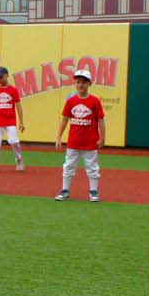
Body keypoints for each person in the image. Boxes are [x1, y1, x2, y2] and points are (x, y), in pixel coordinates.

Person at [55, 68, 105, 202]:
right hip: (73, 142)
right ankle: (65, 190)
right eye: (78, 82)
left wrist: (102, 138)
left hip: (90, 142)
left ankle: (93, 192)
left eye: (83, 82)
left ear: (89, 84)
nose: (80, 85)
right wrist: (59, 137)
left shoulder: (94, 101)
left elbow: (100, 120)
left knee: (92, 167)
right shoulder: (71, 101)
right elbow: (64, 119)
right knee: (68, 166)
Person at [0, 66, 24, 173]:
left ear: (7, 75)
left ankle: (19, 159)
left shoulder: (13, 90)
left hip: (10, 121)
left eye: (1, 76)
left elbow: (19, 106)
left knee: (13, 141)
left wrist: (21, 122)